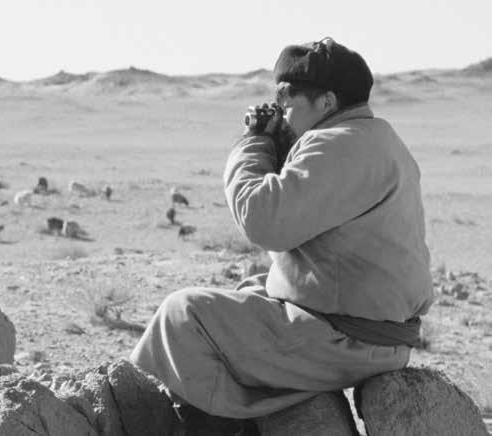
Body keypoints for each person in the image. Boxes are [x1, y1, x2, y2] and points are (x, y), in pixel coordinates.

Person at [130, 38, 435, 428]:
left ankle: (156, 420)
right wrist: (287, 148)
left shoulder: (337, 145)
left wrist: (253, 145)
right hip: (376, 333)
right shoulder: (376, 137)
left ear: (327, 102)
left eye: (289, 105)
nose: (284, 116)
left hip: (347, 341)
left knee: (184, 315)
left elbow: (262, 220)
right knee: (251, 290)